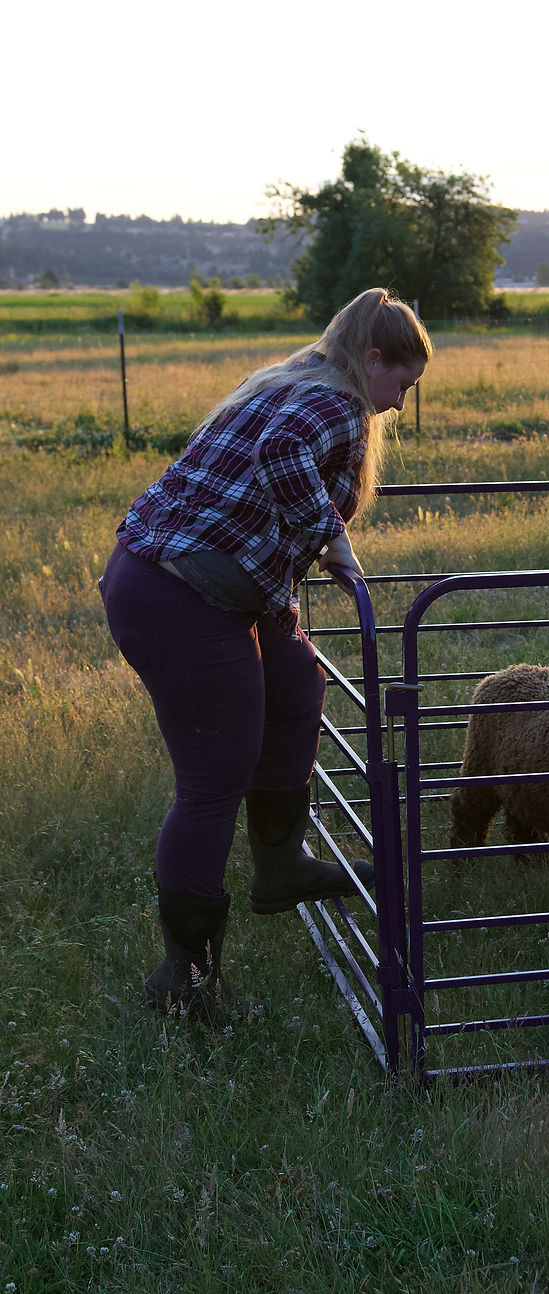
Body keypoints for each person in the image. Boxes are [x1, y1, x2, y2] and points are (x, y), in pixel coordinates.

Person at [100, 287, 431, 1018]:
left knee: (296, 684)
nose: (399, 403)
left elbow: (255, 506)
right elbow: (282, 456)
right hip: (178, 593)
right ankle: (186, 983)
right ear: (373, 357)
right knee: (213, 779)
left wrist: (299, 576)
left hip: (188, 574)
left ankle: (279, 866)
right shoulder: (337, 401)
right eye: (402, 384)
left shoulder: (294, 379)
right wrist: (332, 537)